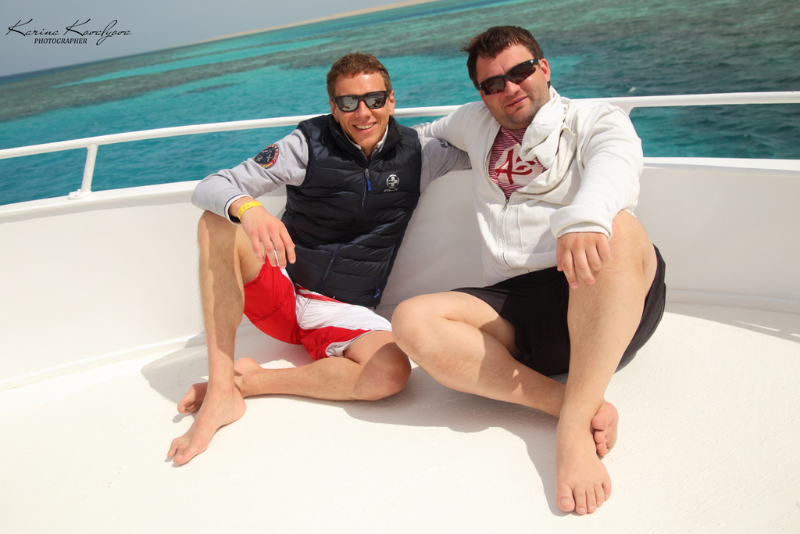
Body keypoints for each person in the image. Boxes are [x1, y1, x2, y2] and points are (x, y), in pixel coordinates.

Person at [392, 27, 666, 515]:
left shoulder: (592, 118)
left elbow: (616, 163)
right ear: (482, 93)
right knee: (411, 320)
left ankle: (572, 433)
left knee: (620, 228)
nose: (509, 88)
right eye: (492, 84)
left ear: (543, 68)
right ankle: (568, 405)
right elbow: (425, 135)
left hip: (600, 287)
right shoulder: (474, 122)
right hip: (521, 302)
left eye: (520, 72)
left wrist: (584, 219)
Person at [168, 52, 469, 465]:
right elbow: (213, 185)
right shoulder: (306, 145)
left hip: (342, 309)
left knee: (391, 371)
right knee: (216, 221)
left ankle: (251, 382)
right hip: (281, 286)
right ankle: (221, 390)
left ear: (391, 100)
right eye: (348, 102)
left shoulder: (421, 153)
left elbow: (486, 150)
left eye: (374, 99)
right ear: (333, 106)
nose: (363, 112)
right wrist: (249, 208)